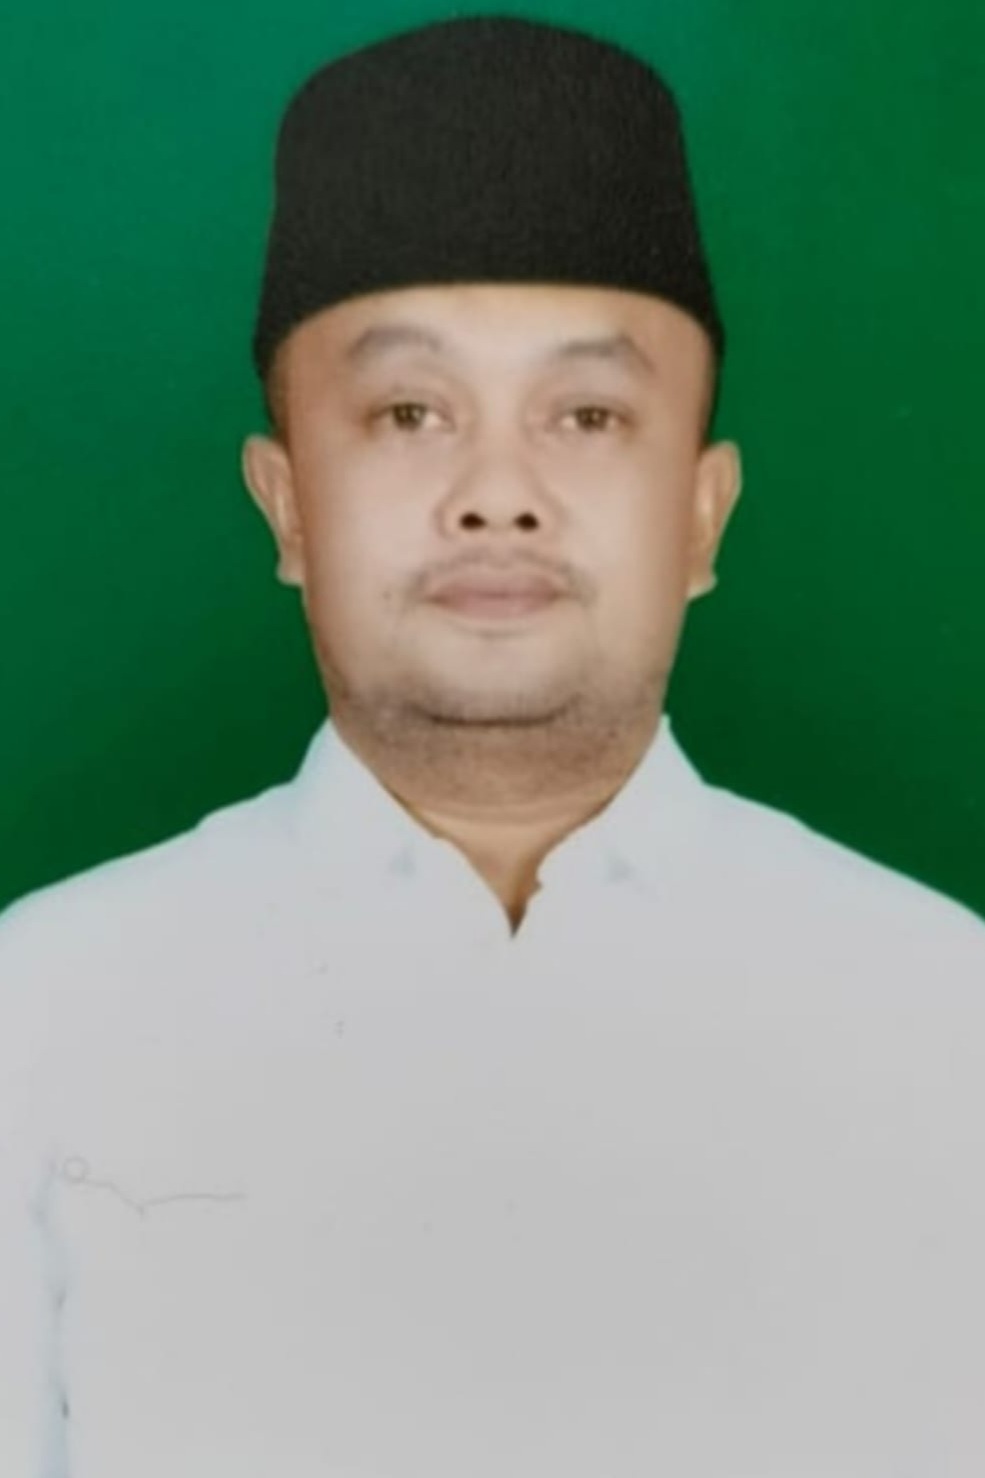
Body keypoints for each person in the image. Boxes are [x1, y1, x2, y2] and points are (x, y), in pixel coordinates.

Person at [2, 14, 984, 1477]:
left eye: (586, 414)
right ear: (286, 503)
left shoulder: (946, 1018)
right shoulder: (39, 1011)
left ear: (701, 513)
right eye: (410, 411)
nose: (497, 494)